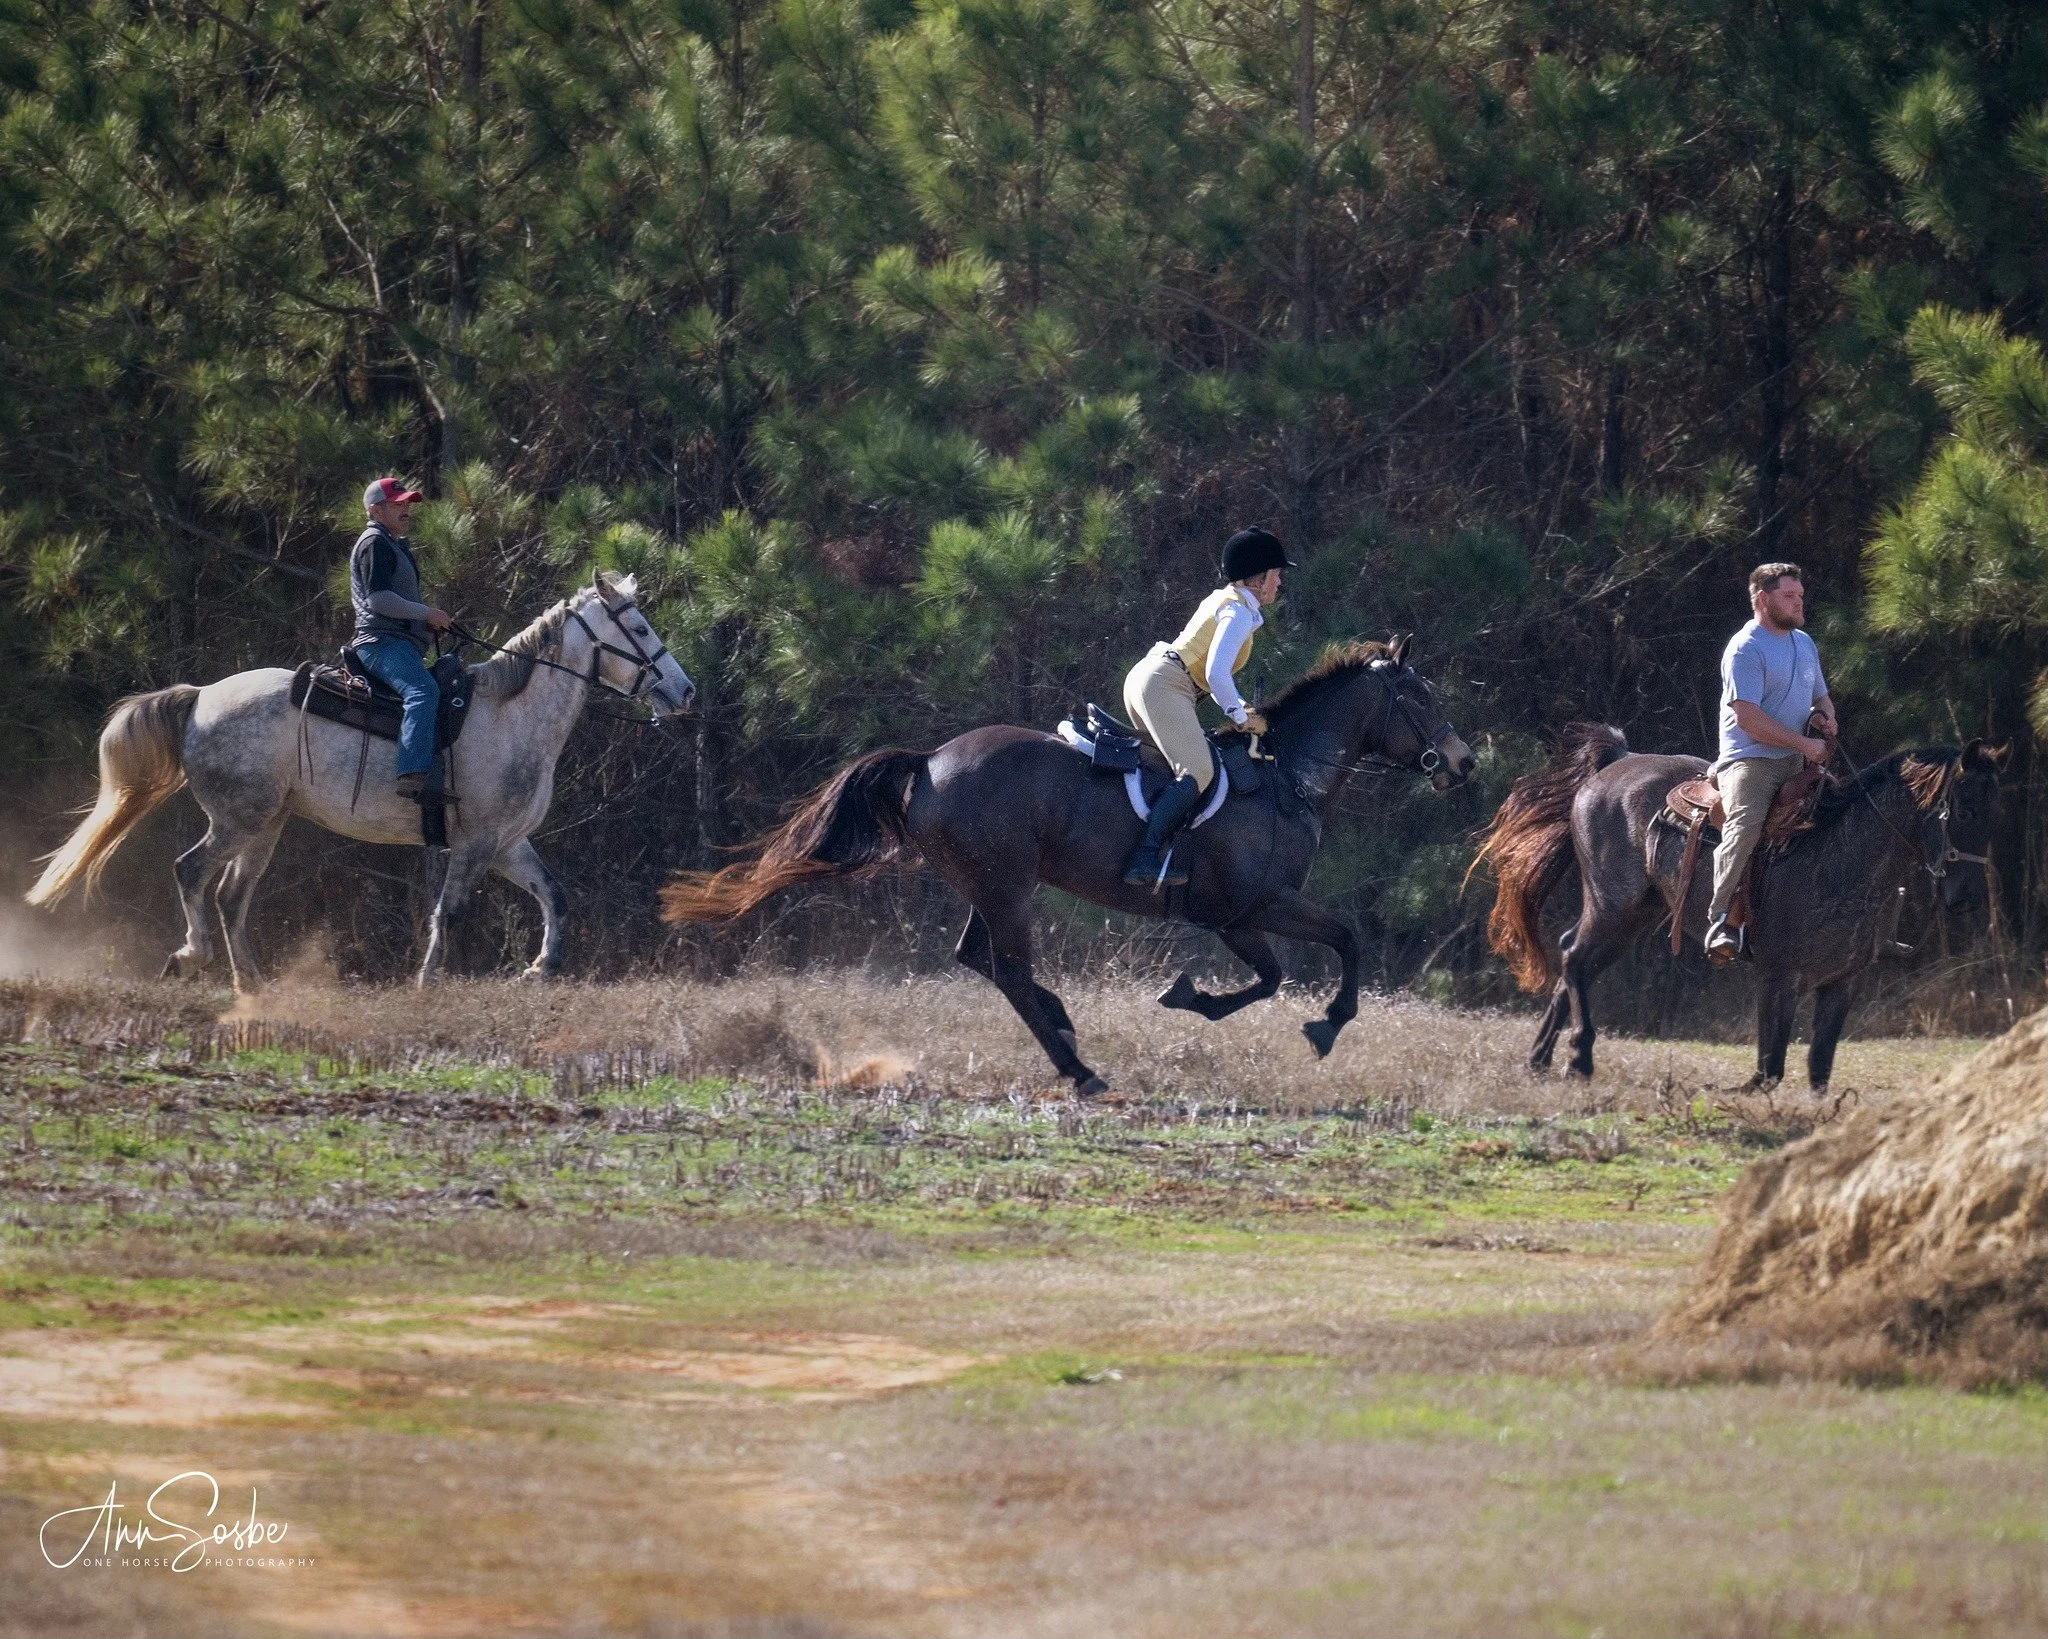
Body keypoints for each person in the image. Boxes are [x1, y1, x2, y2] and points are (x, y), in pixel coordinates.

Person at [1119, 525, 1294, 888]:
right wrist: (1239, 716)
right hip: (1166, 685)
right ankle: (1145, 856)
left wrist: (1240, 708)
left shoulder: (1225, 601)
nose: (1279, 583)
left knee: (1171, 773)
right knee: (1200, 771)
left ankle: (1160, 847)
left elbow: (1213, 676)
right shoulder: (1239, 612)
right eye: (1276, 575)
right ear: (1258, 579)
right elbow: (1216, 673)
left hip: (1150, 679)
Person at [1704, 561, 1837, 963]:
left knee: (1837, 817)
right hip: (1751, 760)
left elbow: (1819, 694)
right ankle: (1720, 919)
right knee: (1745, 828)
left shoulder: (1805, 643)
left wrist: (1827, 716)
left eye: (1800, 596)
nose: (1799, 603)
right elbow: (1748, 718)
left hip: (1798, 758)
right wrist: (1803, 743)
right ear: (1763, 599)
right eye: (1789, 596)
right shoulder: (1745, 648)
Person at [348, 477, 455, 803]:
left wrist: (424, 625)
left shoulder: (392, 543)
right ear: (375, 510)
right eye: (398, 504)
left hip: (396, 643)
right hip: (379, 644)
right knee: (423, 690)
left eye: (407, 503)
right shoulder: (375, 543)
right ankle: (412, 776)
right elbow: (379, 601)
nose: (406, 509)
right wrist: (425, 614)